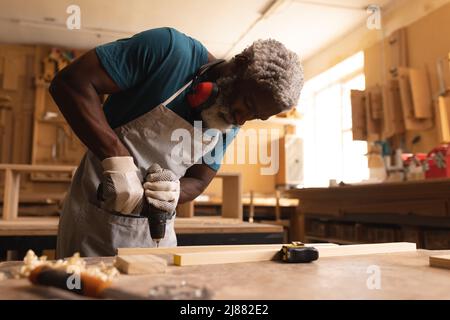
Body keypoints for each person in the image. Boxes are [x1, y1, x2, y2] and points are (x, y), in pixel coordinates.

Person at [50, 27, 304, 257]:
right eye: (247, 104)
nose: (241, 119)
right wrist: (117, 159)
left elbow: (200, 178)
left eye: (255, 117)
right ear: (238, 65)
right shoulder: (169, 51)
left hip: (156, 242)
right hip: (92, 229)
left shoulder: (230, 121)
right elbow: (72, 83)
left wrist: (173, 192)